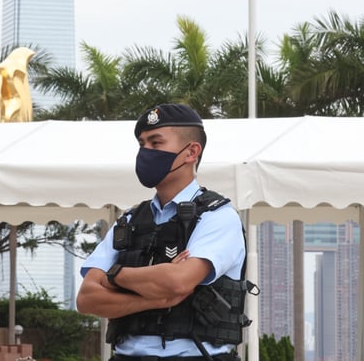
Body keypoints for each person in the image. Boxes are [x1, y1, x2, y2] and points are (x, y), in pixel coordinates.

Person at [77, 103, 254, 361]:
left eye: (156, 143)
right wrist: (153, 300)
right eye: (142, 144)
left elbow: (177, 282)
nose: (146, 151)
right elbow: (87, 298)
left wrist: (112, 276)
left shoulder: (217, 217)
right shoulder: (128, 220)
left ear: (191, 152)